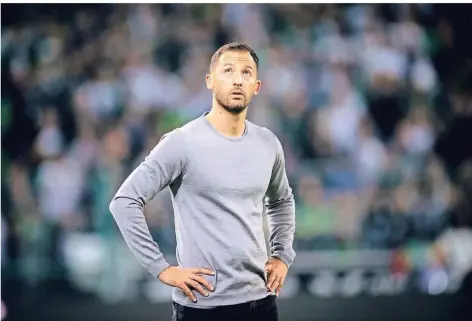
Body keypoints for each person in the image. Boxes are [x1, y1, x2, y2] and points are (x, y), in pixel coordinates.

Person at [109, 42, 296, 321]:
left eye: (246, 73)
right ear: (210, 81)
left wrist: (282, 255)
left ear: (256, 86)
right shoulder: (182, 142)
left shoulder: (267, 143)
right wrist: (161, 268)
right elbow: (123, 203)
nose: (237, 79)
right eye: (228, 70)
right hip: (202, 307)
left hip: (261, 303)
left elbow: (281, 201)